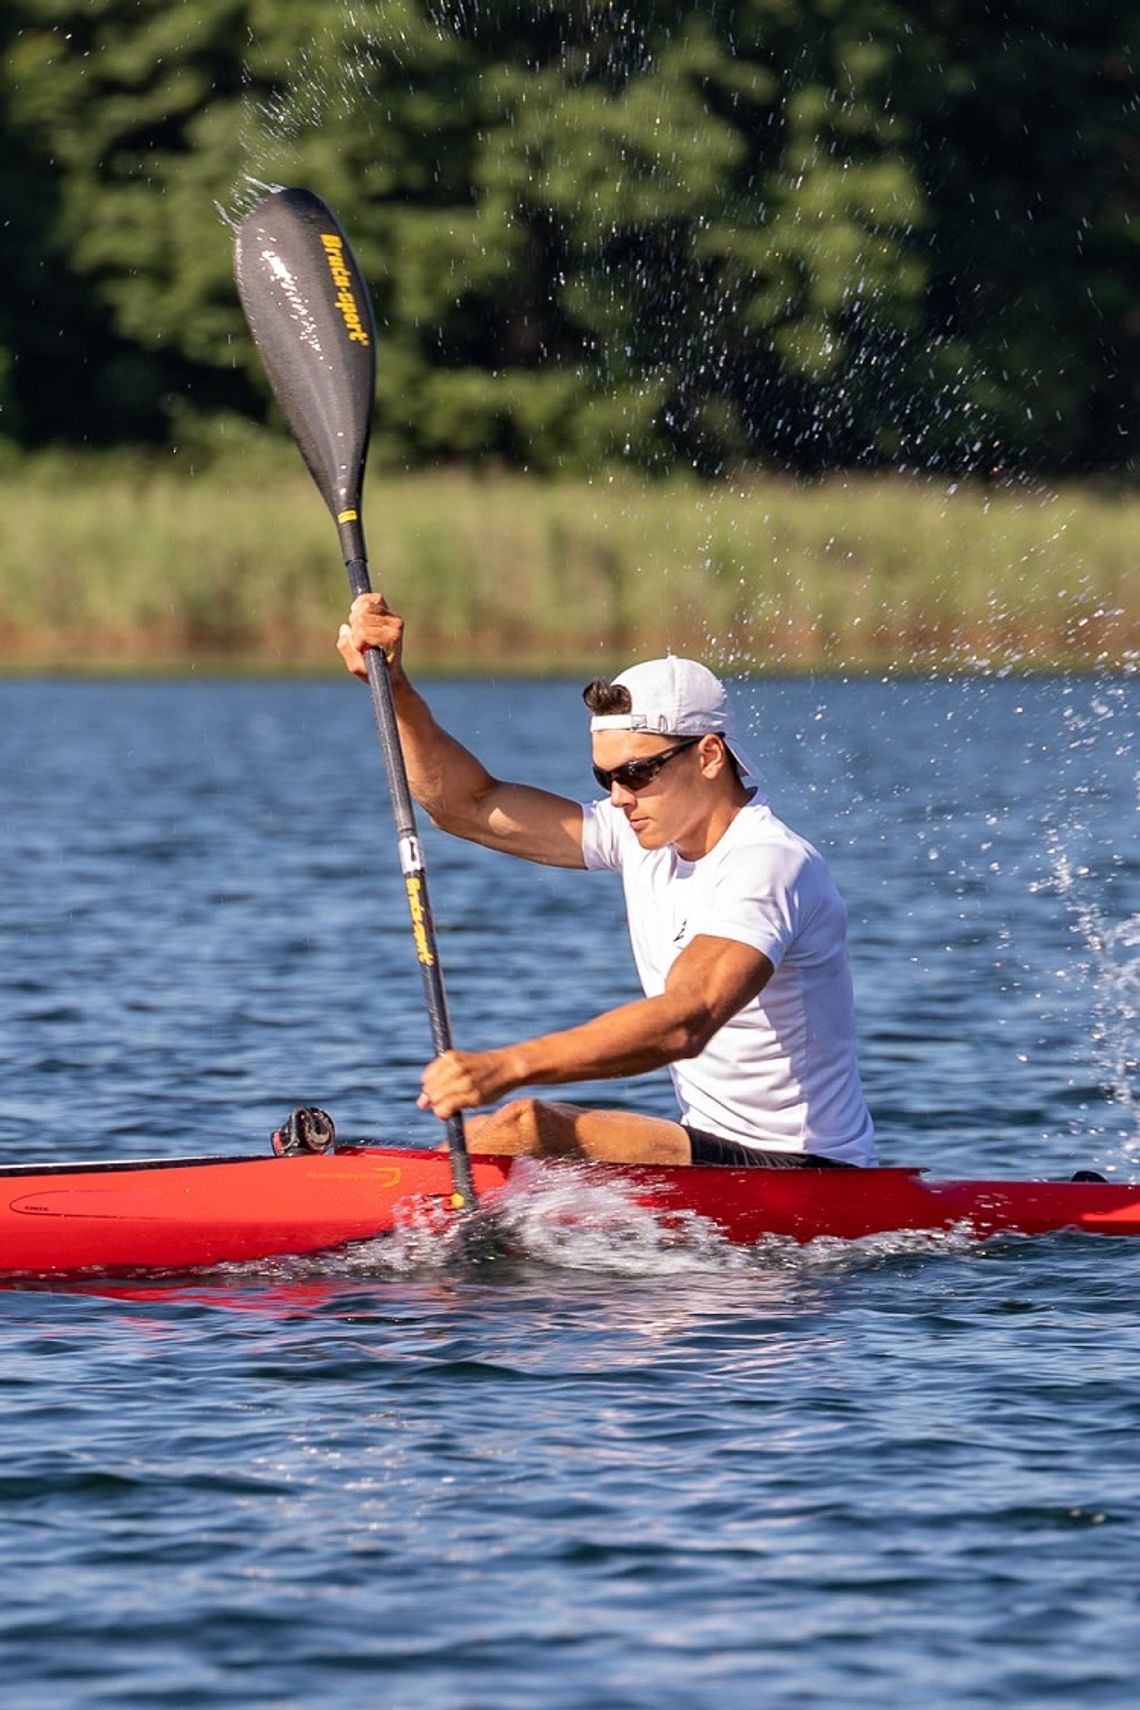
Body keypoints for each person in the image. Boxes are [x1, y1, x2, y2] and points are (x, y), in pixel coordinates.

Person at [338, 594, 876, 1169]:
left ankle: (395, 1214)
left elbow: (686, 1019)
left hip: (806, 1171)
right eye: (605, 775)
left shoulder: (769, 862)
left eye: (637, 773)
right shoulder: (642, 836)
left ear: (711, 755)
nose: (618, 797)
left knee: (527, 1125)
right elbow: (466, 806)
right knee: (517, 1147)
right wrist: (394, 689)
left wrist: (507, 1067)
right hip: (709, 1149)